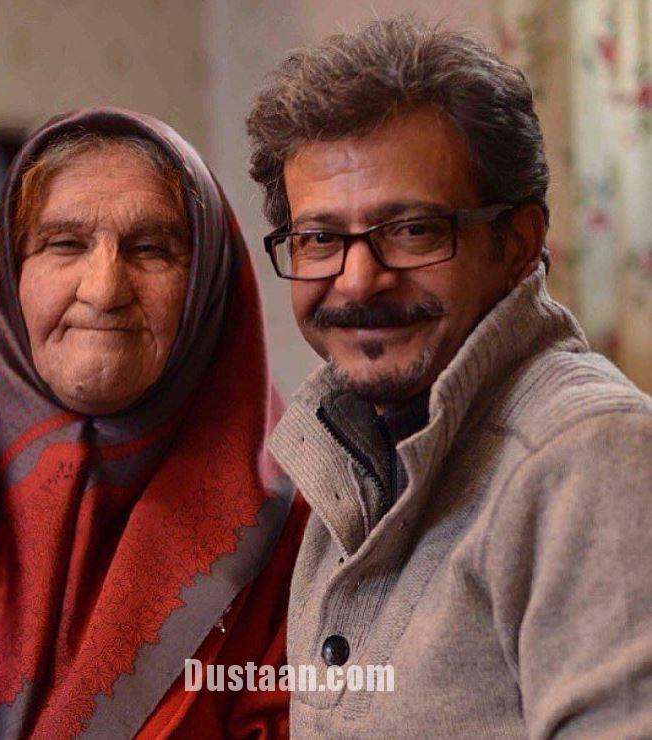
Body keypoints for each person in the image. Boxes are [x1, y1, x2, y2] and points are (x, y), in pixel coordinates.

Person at [246, 17, 652, 738]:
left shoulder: (590, 454)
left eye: (412, 230)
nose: (358, 280)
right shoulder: (344, 453)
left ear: (518, 242)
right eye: (320, 239)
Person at [0, 107, 307, 738]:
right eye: (64, 244)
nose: (103, 290)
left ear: (206, 286)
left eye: (151, 249)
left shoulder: (292, 533)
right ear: (10, 277)